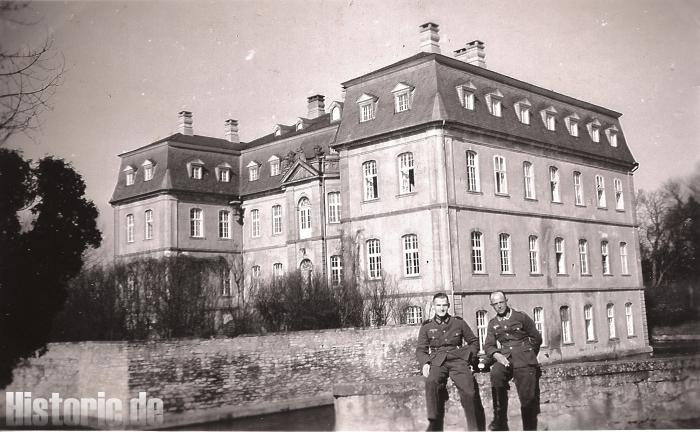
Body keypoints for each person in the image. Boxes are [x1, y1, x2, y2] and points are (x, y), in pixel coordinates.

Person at [416, 293, 485, 431]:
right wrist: (425, 363)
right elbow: (421, 349)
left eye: (444, 305)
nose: (441, 308)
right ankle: (433, 424)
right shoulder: (427, 326)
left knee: (469, 391)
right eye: (438, 305)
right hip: (437, 361)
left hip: (458, 360)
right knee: (431, 382)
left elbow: (473, 341)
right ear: (433, 306)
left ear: (448, 306)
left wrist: (470, 358)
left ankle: (474, 428)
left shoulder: (458, 322)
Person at [484, 291, 542, 431]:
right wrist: (497, 355)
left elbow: (536, 338)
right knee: (496, 374)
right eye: (495, 304)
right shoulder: (493, 324)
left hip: (524, 358)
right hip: (506, 358)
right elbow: (489, 345)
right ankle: (500, 420)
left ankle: (529, 428)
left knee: (527, 399)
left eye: (501, 302)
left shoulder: (521, 317)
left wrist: (528, 355)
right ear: (492, 305)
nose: (499, 306)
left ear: (506, 301)